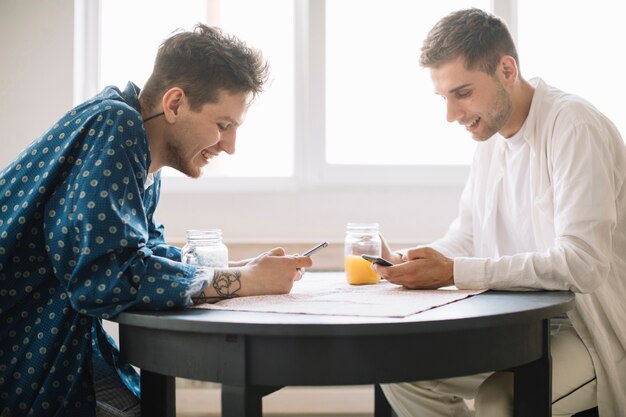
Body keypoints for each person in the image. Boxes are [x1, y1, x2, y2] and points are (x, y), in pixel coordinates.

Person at [0, 24, 312, 417]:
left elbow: (139, 253)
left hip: (52, 342)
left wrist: (242, 270)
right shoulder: (116, 128)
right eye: (223, 125)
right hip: (20, 353)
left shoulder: (137, 146)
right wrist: (247, 282)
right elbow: (105, 280)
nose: (230, 147)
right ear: (176, 103)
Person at [373, 8, 626, 417]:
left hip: (591, 331)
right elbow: (468, 237)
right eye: (444, 97)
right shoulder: (490, 140)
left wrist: (453, 271)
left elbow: (583, 265)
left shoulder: (574, 126)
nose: (451, 115)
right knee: (400, 369)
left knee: (499, 400)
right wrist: (414, 262)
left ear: (507, 70)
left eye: (463, 93)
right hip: (515, 324)